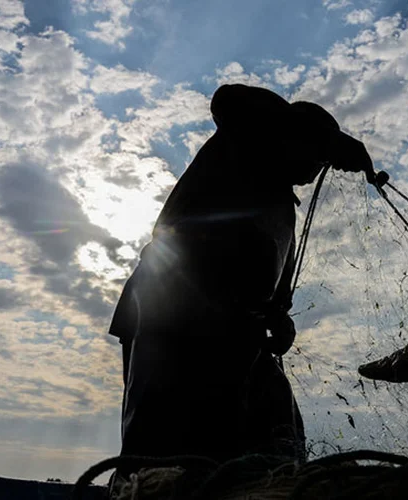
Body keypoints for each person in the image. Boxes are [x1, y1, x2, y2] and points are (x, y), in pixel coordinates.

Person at [107, 84, 378, 471]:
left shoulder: (283, 208)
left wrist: (280, 321)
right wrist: (332, 139)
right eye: (316, 155)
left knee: (273, 446)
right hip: (168, 315)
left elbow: (273, 294)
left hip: (237, 335)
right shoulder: (242, 139)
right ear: (288, 136)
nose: (318, 168)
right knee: (163, 445)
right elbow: (228, 98)